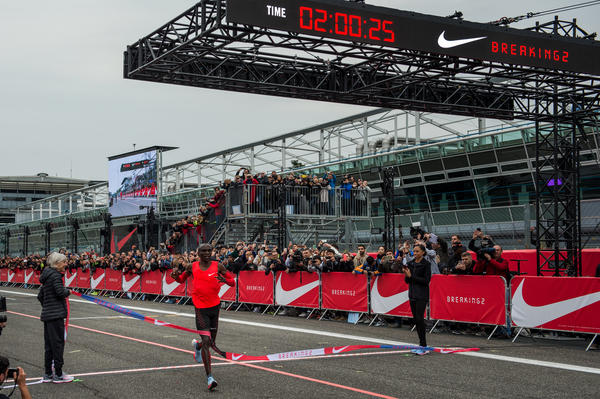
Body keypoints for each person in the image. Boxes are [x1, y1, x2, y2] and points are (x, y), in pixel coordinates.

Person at [171, 244, 235, 391]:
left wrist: (225, 280)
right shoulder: (192, 266)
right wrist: (175, 277)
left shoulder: (218, 266)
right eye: (204, 251)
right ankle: (210, 378)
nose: (207, 253)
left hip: (215, 306)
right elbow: (181, 280)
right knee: (207, 340)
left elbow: (232, 283)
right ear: (198, 253)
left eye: (209, 251)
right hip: (200, 307)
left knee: (211, 342)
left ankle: (197, 346)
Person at [37, 252, 73, 383]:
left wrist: (47, 306)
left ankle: (47, 373)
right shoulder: (56, 276)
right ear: (57, 263)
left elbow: (40, 296)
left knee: (49, 346)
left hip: (47, 314)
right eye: (64, 262)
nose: (66, 264)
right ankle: (58, 374)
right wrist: (67, 291)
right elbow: (60, 292)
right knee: (57, 345)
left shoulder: (46, 276)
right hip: (56, 315)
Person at [402, 244, 431, 355]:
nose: (415, 253)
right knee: (416, 319)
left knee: (419, 319)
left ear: (423, 252)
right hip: (412, 294)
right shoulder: (411, 263)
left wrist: (411, 276)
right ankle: (421, 344)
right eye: (414, 251)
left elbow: (426, 280)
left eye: (417, 251)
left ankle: (424, 345)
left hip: (422, 294)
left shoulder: (426, 264)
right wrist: (407, 274)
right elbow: (407, 281)